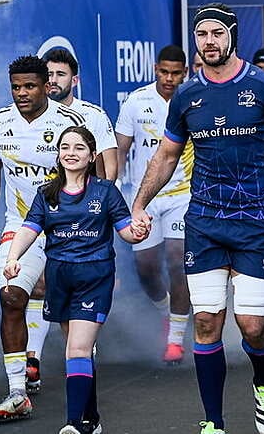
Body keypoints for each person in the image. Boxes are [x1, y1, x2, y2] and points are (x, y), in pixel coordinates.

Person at [132, 3, 264, 434]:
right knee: (206, 322)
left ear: (232, 37)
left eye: (217, 33)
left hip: (254, 223)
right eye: (201, 35)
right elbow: (165, 156)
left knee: (253, 326)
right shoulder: (186, 94)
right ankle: (213, 421)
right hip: (203, 222)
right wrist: (140, 203)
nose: (209, 42)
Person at [5, 126, 148, 434]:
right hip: (60, 277)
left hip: (94, 277)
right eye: (65, 147)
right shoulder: (47, 193)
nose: (71, 153)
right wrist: (13, 257)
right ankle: (91, 419)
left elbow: (126, 231)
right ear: (58, 154)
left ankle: (73, 424)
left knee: (78, 350)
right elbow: (30, 228)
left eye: (79, 148)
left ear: (92, 155)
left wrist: (138, 232)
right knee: (76, 349)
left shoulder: (105, 191)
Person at [0, 55, 88, 421]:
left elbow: (94, 181)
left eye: (30, 86)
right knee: (11, 297)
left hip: (66, 229)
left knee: (71, 314)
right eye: (16, 87)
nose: (22, 93)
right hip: (19, 228)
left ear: (46, 86)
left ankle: (85, 393)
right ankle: (17, 391)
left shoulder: (68, 124)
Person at [115, 44, 191, 364]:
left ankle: (175, 338)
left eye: (176, 73)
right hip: (144, 197)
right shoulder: (137, 101)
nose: (169, 78)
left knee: (177, 259)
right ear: (155, 69)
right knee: (146, 269)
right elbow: (119, 149)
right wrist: (116, 185)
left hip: (183, 194)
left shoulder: (193, 98)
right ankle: (166, 310)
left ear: (185, 73)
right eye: (164, 72)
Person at [43, 48, 118, 180]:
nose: (53, 80)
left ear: (74, 81)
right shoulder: (34, 115)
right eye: (49, 74)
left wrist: (102, 197)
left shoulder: (95, 115)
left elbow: (110, 167)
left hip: (82, 198)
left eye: (60, 74)